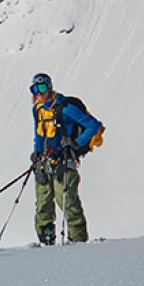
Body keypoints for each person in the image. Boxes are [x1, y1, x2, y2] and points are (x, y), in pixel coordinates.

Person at [29, 73, 103, 245]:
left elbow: (94, 125)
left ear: (49, 88)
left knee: (68, 203)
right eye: (34, 89)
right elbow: (38, 134)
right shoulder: (37, 110)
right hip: (44, 163)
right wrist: (37, 152)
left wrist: (77, 143)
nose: (39, 93)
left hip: (64, 162)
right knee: (43, 203)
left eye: (42, 88)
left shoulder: (66, 108)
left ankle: (78, 242)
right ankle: (45, 241)